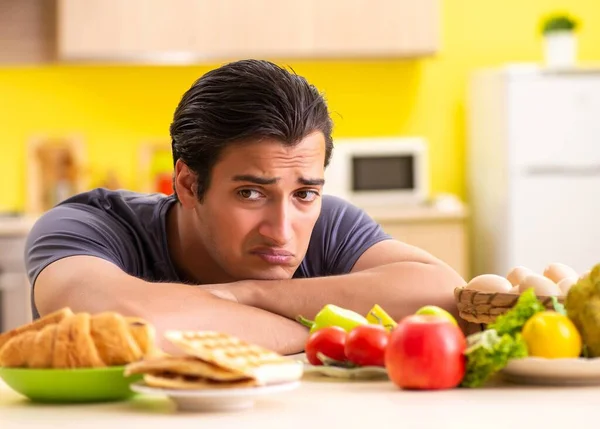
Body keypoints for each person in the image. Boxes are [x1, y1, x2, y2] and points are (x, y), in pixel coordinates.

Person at [25, 59, 467, 355]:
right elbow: (119, 323)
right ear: (188, 184)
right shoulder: (88, 224)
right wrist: (316, 330)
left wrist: (244, 294)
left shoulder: (328, 219)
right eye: (251, 194)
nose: (282, 230)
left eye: (304, 194)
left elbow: (442, 293)